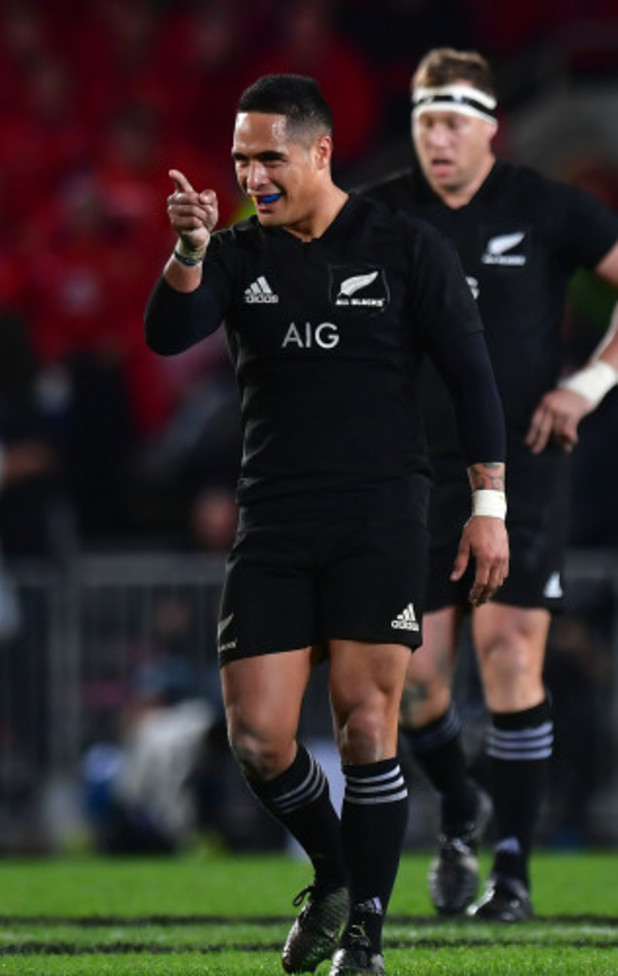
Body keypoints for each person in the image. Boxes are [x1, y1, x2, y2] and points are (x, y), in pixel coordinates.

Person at [145, 73, 509, 976]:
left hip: (382, 513)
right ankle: (338, 874)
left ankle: (364, 944)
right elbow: (167, 332)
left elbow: (473, 381)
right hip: (273, 517)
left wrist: (489, 507)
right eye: (240, 161)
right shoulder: (234, 253)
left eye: (270, 157)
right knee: (260, 740)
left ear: (319, 151)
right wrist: (188, 247)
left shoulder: (405, 248)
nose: (252, 176)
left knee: (365, 722)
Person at [364, 47, 618, 922]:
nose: (437, 138)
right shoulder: (382, 214)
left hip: (525, 465)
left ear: (489, 127)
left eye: (452, 121)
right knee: (418, 681)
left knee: (512, 655)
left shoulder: (545, 207)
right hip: (417, 471)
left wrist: (589, 383)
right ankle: (462, 812)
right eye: (423, 121)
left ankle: (512, 873)